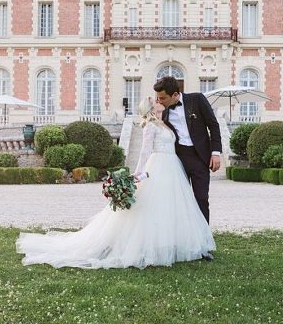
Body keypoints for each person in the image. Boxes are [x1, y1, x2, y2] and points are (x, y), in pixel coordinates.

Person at [15, 97, 215, 269]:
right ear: (151, 109)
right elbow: (145, 151)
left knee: (169, 208)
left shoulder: (165, 123)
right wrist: (138, 174)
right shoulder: (150, 126)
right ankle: (146, 246)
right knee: (151, 208)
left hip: (173, 168)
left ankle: (169, 244)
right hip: (159, 166)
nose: (159, 101)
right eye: (155, 101)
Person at [154, 76, 222, 228]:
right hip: (178, 160)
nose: (159, 101)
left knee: (201, 199)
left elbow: (213, 125)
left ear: (175, 95)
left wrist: (215, 153)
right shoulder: (163, 112)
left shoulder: (197, 99)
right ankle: (184, 240)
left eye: (163, 98)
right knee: (179, 202)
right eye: (158, 98)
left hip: (200, 158)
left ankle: (204, 243)